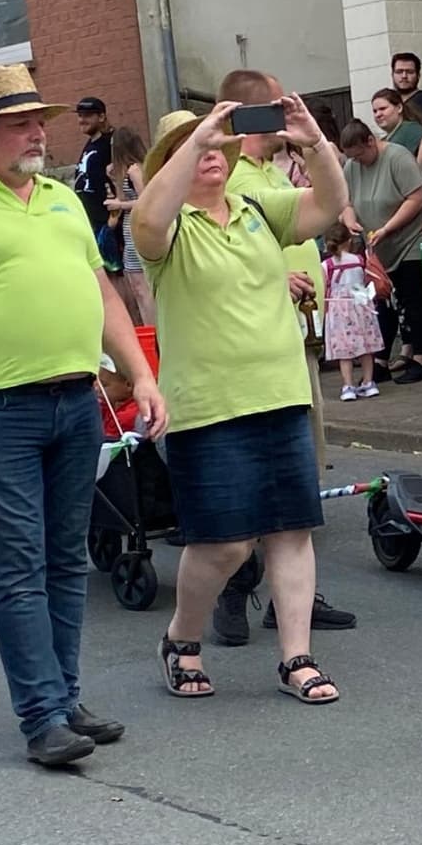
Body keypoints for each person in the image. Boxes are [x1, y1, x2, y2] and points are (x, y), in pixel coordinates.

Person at [0, 63, 166, 765]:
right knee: (17, 563)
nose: (39, 132)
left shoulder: (57, 198)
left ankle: (64, 697)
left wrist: (139, 372)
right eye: (22, 123)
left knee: (65, 560)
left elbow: (102, 293)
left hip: (76, 401)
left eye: (40, 120)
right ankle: (42, 713)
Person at [131, 97, 347, 704]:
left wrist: (312, 144)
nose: (214, 158)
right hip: (207, 406)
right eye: (199, 152)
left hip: (278, 394)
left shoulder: (255, 207)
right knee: (224, 544)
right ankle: (182, 638)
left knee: (290, 531)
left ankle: (297, 658)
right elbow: (147, 219)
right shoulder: (167, 231)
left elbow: (328, 206)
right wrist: (192, 141)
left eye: (221, 149)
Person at [211, 70, 356, 643]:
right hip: (252, 347)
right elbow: (223, 270)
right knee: (256, 481)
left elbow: (326, 207)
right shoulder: (232, 175)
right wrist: (277, 285)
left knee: (299, 475)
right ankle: (232, 588)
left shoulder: (273, 170)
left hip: (296, 337)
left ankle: (289, 596)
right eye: (275, 106)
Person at [339, 119, 422, 385]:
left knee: (413, 297)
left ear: (371, 142)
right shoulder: (351, 166)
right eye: (352, 157)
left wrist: (388, 227)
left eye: (360, 155)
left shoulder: (398, 157)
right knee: (380, 302)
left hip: (409, 238)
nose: (357, 161)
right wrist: (350, 220)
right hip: (378, 244)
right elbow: (346, 201)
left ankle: (421, 358)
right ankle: (380, 360)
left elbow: (415, 198)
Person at [322, 221, 382, 400]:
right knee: (366, 347)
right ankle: (369, 382)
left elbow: (324, 287)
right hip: (361, 305)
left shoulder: (327, 265)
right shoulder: (359, 260)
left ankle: (348, 386)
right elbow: (364, 281)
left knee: (344, 350)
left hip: (338, 309)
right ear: (348, 241)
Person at [104, 127, 154, 326]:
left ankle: (153, 331)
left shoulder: (135, 171)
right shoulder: (125, 171)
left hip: (136, 227)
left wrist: (120, 205)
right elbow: (123, 195)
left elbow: (146, 201)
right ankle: (146, 327)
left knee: (143, 287)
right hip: (128, 228)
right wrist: (115, 178)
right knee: (135, 285)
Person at [371, 88, 422, 176]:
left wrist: (414, 177)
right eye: (375, 111)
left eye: (383, 109)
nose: (378, 114)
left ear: (399, 108)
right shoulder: (390, 137)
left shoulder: (409, 129)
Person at [73, 96, 113, 233]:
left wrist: (112, 220)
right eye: (80, 116)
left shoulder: (111, 142)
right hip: (89, 219)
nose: (82, 120)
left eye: (88, 116)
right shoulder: (91, 143)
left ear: (101, 117)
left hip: (105, 220)